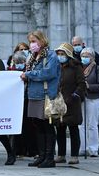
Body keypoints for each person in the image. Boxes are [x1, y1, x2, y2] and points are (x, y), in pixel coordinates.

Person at [21, 30, 60, 168]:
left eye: (33, 41)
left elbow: (48, 73)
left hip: (45, 95)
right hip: (33, 95)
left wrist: (29, 74)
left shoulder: (51, 55)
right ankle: (41, 155)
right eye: (30, 41)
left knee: (47, 126)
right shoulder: (32, 57)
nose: (32, 44)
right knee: (37, 126)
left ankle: (49, 157)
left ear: (42, 40)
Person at [54, 43, 86, 165]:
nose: (60, 56)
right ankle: (61, 154)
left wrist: (75, 95)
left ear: (68, 54)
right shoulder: (57, 66)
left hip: (72, 103)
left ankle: (74, 155)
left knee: (73, 129)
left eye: (62, 54)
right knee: (60, 129)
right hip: (59, 102)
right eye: (58, 54)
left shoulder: (76, 67)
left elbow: (81, 84)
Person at [10, 51, 38, 158]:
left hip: (27, 100)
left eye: (21, 61)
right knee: (18, 128)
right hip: (16, 103)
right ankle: (18, 150)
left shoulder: (29, 71)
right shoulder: (11, 72)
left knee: (29, 127)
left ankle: (31, 150)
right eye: (17, 62)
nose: (19, 64)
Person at [79, 47, 99, 157]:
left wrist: (89, 86)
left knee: (92, 124)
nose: (84, 58)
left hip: (94, 98)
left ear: (92, 57)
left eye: (87, 56)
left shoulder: (98, 68)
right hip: (83, 99)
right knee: (81, 124)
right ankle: (83, 148)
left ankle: (93, 148)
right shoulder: (80, 68)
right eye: (83, 56)